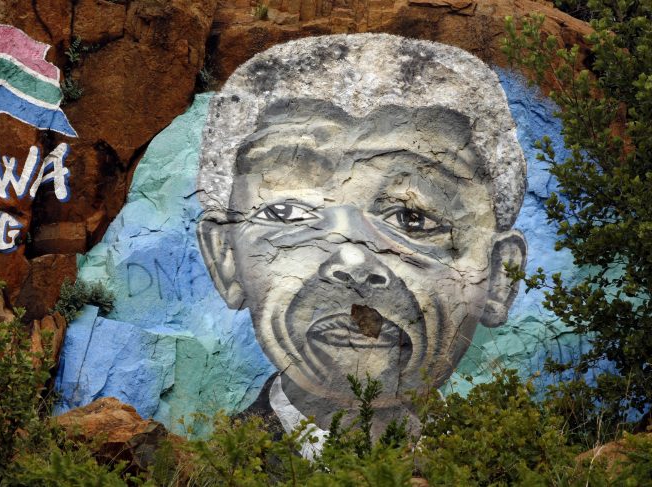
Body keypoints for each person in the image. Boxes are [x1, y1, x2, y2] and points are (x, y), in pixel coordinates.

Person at [196, 33, 527, 453]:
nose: (351, 259)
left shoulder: (512, 465)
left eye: (412, 218)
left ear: (500, 278)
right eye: (288, 215)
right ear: (225, 259)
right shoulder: (206, 470)